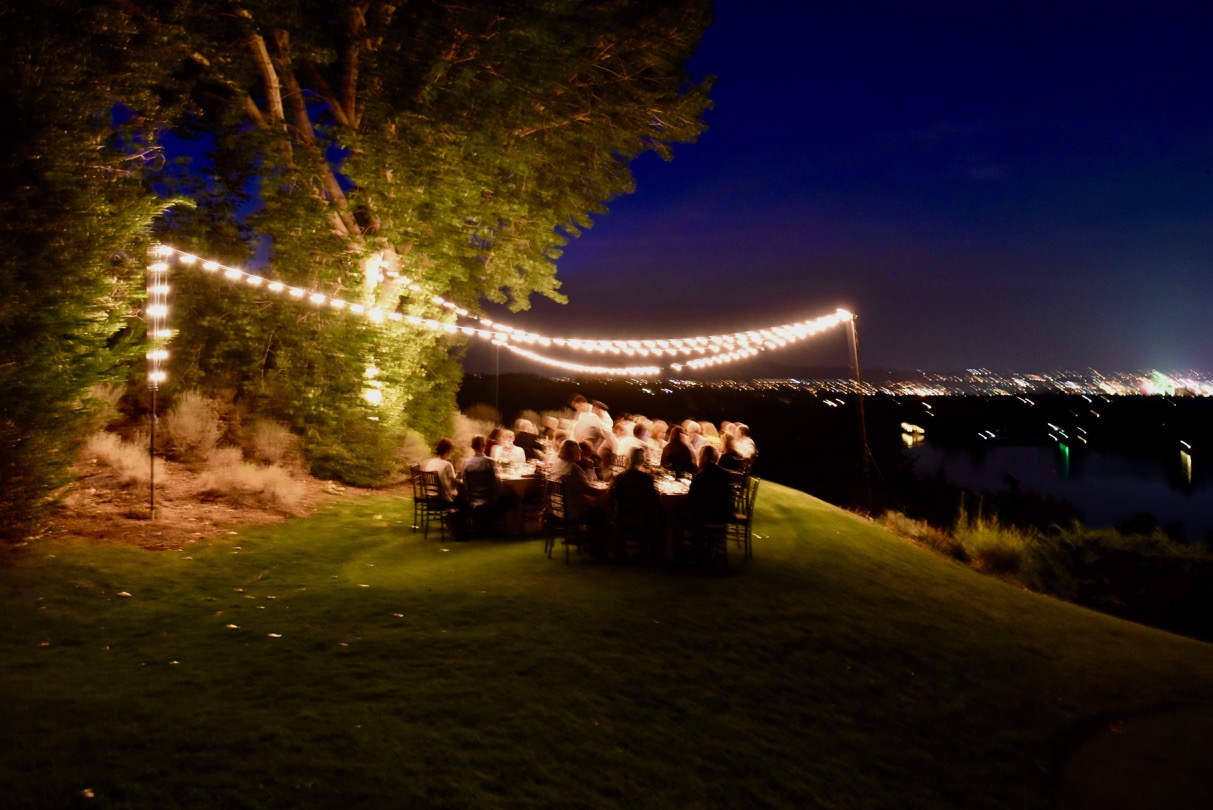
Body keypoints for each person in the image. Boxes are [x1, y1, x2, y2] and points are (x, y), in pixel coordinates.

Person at [608, 447, 663, 559]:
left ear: (628, 459)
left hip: (622, 517)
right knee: (663, 518)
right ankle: (656, 554)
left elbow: (611, 497)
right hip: (644, 518)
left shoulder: (620, 478)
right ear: (642, 461)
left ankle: (618, 550)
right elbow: (654, 501)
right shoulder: (647, 479)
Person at [423, 438, 459, 505]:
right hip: (442, 497)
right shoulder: (447, 465)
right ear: (448, 451)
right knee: (464, 498)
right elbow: (454, 483)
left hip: (430, 494)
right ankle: (455, 514)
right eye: (451, 451)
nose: (452, 453)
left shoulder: (431, 462)